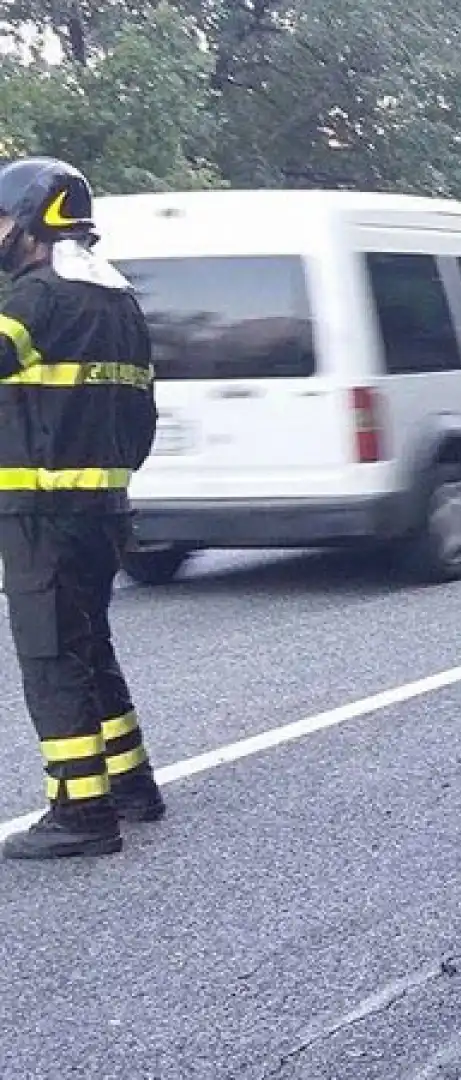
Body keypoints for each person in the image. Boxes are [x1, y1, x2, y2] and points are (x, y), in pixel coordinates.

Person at [0, 156, 162, 861]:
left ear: (37, 220)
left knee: (50, 656)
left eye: (3, 220)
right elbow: (143, 419)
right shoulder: (119, 299)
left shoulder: (36, 300)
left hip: (40, 512)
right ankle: (132, 784)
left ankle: (81, 810)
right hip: (103, 508)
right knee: (89, 643)